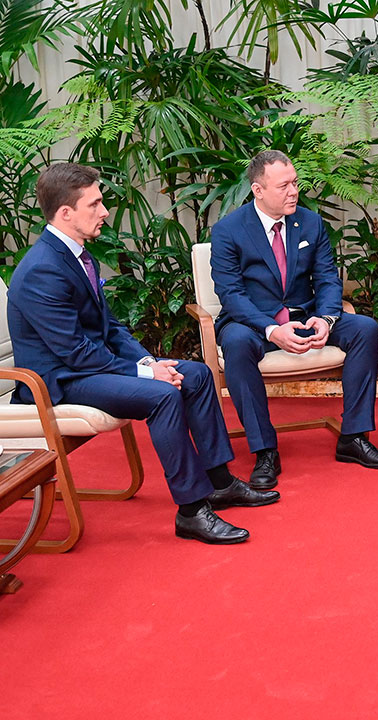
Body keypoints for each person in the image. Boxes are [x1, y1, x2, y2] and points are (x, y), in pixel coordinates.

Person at [7, 163, 279, 545]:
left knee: (198, 376)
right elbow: (74, 351)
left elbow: (111, 328)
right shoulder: (42, 270)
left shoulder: (75, 254)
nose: (104, 212)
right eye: (95, 204)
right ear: (66, 213)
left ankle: (219, 482)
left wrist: (149, 363)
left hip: (88, 367)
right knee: (163, 395)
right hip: (59, 381)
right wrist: (149, 376)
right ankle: (191, 511)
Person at [210, 150, 378, 490]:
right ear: (258, 190)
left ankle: (353, 437)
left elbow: (326, 278)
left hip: (306, 316)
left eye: (295, 182)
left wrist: (326, 317)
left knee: (364, 328)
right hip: (254, 323)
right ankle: (265, 450)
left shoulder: (310, 222)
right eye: (284, 186)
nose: (294, 191)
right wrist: (272, 329)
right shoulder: (228, 231)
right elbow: (231, 294)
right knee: (235, 343)